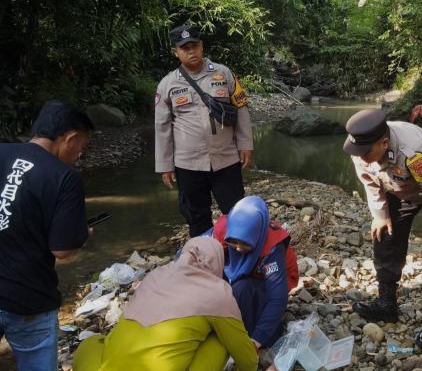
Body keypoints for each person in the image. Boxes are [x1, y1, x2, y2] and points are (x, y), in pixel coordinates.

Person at [343, 108, 422, 352]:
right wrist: (380, 215)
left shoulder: (415, 152)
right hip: (401, 188)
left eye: (366, 153)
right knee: (384, 234)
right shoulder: (361, 148)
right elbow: (369, 181)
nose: (360, 157)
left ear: (384, 142)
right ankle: (387, 303)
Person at [0, 101, 94, 370]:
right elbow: (62, 250)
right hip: (28, 299)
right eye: (80, 147)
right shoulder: (64, 177)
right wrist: (82, 233)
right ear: (70, 138)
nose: (79, 154)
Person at [73, 236, 258, 371]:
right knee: (222, 338)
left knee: (91, 343)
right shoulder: (218, 293)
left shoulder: (156, 275)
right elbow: (246, 358)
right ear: (216, 262)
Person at [155, 25, 253, 237]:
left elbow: (241, 107)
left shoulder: (223, 74)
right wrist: (165, 165)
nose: (191, 51)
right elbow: (162, 127)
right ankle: (202, 258)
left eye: (195, 45)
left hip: (225, 159)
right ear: (176, 52)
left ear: (202, 46)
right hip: (187, 163)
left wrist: (245, 144)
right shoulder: (167, 84)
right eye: (185, 48)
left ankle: (236, 258)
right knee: (196, 216)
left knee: (236, 213)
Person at [206, 195, 298, 350]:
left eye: (244, 243)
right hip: (245, 269)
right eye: (233, 242)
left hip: (268, 277)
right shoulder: (222, 229)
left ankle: (251, 327)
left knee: (242, 289)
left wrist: (257, 340)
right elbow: (192, 252)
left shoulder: (272, 247)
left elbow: (277, 297)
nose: (238, 248)